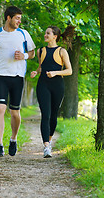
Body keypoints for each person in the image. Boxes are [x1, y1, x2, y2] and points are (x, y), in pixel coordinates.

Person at [0, 6, 36, 157]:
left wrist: (23, 56)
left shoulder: (23, 34)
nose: (19, 21)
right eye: (17, 18)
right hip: (0, 76)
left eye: (20, 18)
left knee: (15, 112)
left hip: (17, 77)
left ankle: (13, 138)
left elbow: (32, 53)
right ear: (8, 18)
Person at [30, 25, 73, 158]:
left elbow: (69, 71)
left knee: (53, 116)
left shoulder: (62, 51)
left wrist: (55, 73)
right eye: (45, 33)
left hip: (57, 86)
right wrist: (35, 72)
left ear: (55, 36)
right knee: (46, 115)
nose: (45, 35)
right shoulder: (40, 51)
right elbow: (41, 67)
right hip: (43, 84)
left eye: (48, 33)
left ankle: (49, 139)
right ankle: (46, 146)